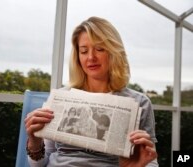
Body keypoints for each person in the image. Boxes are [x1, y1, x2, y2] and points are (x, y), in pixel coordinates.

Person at [25, 16, 158, 167]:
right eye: (83, 51)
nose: (91, 57)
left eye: (100, 49)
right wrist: (34, 142)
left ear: (114, 52)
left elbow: (150, 160)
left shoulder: (139, 102)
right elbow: (39, 164)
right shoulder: (61, 97)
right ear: (77, 56)